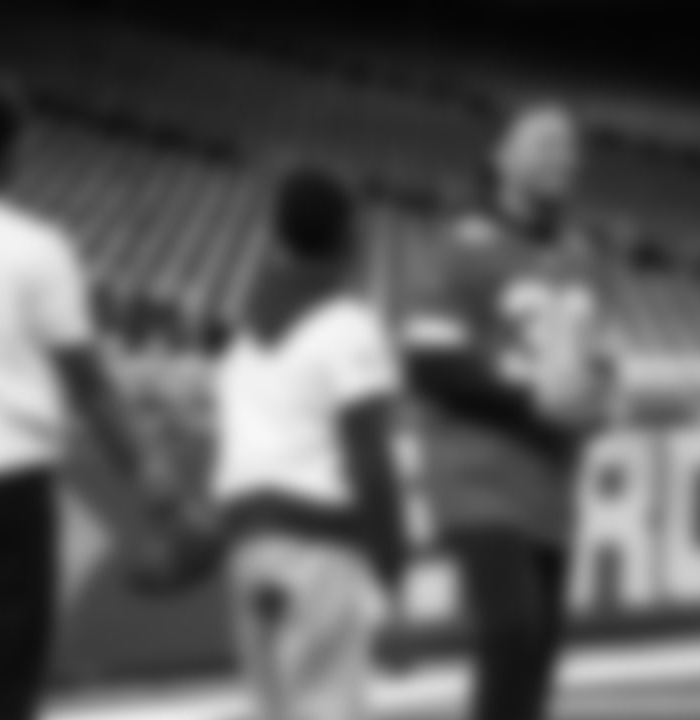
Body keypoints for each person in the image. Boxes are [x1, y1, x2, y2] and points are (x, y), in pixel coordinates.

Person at [0, 76, 168, 720]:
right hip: (6, 481)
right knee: (7, 687)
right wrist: (150, 476)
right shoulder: (35, 246)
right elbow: (87, 381)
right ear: (12, 152)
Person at [399, 104, 614, 720]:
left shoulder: (581, 253)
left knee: (536, 662)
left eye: (569, 146)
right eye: (544, 143)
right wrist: (535, 402)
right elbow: (428, 362)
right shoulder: (459, 243)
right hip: (476, 477)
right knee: (512, 634)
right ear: (501, 157)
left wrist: (601, 394)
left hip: (550, 485)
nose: (562, 157)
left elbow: (594, 357)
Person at [208, 168, 407, 720]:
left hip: (247, 542)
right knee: (328, 705)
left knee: (270, 708)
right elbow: (371, 460)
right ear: (350, 235)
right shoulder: (349, 325)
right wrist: (391, 568)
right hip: (317, 542)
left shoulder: (244, 335)